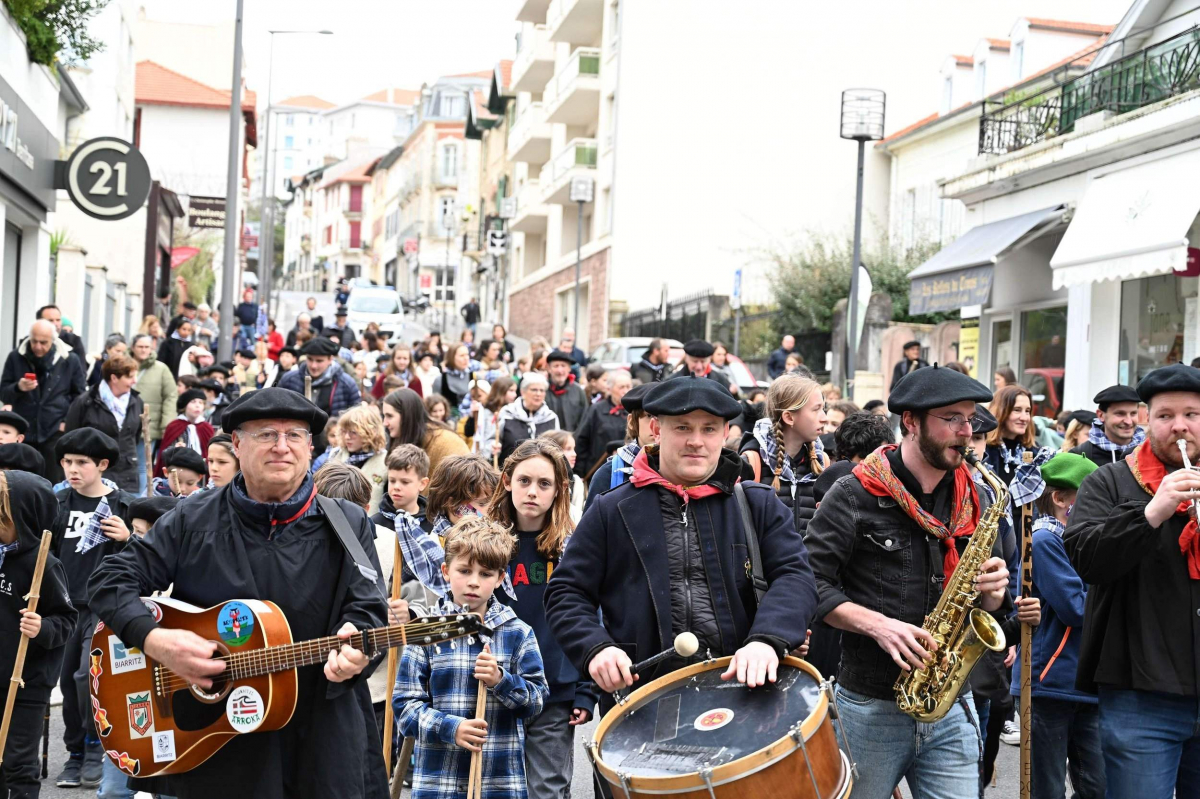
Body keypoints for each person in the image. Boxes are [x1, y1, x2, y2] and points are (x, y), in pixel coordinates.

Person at [88, 387, 389, 799]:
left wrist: (359, 650)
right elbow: (110, 579)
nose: (282, 447)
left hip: (322, 736)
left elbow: (370, 608)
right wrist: (154, 640)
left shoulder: (348, 522)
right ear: (237, 444)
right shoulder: (192, 518)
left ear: (311, 446)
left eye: (295, 435)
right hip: (220, 740)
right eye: (267, 434)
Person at [546, 375, 817, 725]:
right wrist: (596, 648)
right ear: (656, 429)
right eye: (682, 427)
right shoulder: (610, 510)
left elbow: (795, 577)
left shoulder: (756, 503)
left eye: (708, 429)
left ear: (725, 434)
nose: (695, 441)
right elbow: (567, 591)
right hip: (641, 703)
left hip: (744, 697)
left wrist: (766, 640)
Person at [804, 365, 1017, 798]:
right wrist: (877, 625)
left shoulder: (978, 497)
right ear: (911, 422)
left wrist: (994, 595)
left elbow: (989, 605)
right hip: (869, 706)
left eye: (970, 418)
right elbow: (808, 583)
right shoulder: (852, 495)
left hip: (950, 702)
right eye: (951, 418)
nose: (966, 430)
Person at [1059, 363, 1200, 797]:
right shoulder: (1110, 481)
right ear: (1146, 419)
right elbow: (1086, 560)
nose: (1179, 426)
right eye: (1165, 415)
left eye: (1192, 415)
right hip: (1141, 697)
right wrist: (1151, 513)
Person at [394, 517, 548, 799]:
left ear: (501, 578)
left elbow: (537, 701)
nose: (474, 582)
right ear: (445, 571)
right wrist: (452, 729)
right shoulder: (425, 632)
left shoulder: (517, 632)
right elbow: (404, 708)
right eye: (464, 570)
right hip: (439, 785)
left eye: (486, 574)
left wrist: (501, 680)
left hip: (498, 783)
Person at [485, 439, 595, 799]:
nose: (533, 492)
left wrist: (585, 689)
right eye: (524, 481)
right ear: (507, 482)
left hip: (555, 690)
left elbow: (591, 615)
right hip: (495, 685)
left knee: (546, 788)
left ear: (560, 489)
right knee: (495, 786)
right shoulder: (485, 544)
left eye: (544, 484)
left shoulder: (574, 546)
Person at [1010, 452, 1105, 799]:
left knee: (1099, 786)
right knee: (1046, 788)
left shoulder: (1085, 537)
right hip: (1048, 682)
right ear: (1060, 498)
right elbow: (1076, 609)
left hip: (1089, 680)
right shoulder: (1046, 539)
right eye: (1090, 495)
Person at [52, 428, 135, 789]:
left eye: (82, 463)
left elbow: (148, 556)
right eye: (67, 462)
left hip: (103, 607)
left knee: (89, 676)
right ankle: (74, 752)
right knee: (66, 681)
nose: (73, 469)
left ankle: (93, 745)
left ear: (102, 464)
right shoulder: (57, 504)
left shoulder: (123, 506)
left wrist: (129, 537)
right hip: (64, 606)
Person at [0, 470, 77, 799]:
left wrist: (42, 626)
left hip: (26, 681)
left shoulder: (42, 565)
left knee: (17, 762)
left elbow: (67, 618)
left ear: (23, 519)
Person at [0, 319, 86, 485]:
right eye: (34, 341)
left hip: (54, 431)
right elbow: (4, 393)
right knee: (18, 483)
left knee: (52, 482)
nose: (38, 346)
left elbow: (80, 397)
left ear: (53, 341)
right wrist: (19, 387)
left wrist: (65, 422)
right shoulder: (16, 356)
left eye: (43, 342)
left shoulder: (69, 359)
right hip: (24, 432)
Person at [64, 355, 144, 493]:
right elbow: (70, 438)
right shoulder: (85, 402)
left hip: (127, 472)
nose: (134, 381)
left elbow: (134, 436)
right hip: (95, 472)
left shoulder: (137, 402)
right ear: (114, 378)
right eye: (130, 377)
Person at [584, 383, 654, 508]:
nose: (656, 425)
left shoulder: (686, 472)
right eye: (649, 416)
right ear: (632, 422)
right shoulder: (609, 474)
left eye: (663, 417)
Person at [381, 388, 468, 487]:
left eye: (390, 416)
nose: (385, 423)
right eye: (384, 416)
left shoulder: (444, 442)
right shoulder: (406, 437)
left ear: (407, 416)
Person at [811, 410, 896, 503]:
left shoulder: (896, 494)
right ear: (845, 458)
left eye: (882, 459)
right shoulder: (829, 498)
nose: (875, 470)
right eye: (864, 462)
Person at [278, 338, 362, 425]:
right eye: (310, 359)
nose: (314, 366)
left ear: (330, 359)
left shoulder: (347, 383)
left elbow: (356, 417)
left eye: (319, 361)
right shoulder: (288, 379)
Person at [424, 456, 500, 540]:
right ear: (453, 505)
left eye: (493, 502)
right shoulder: (434, 548)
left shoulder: (497, 535)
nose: (490, 510)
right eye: (482, 503)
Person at [572, 370, 631, 479]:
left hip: (628, 471)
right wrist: (580, 472)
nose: (626, 391)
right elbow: (582, 440)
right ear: (609, 389)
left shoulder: (635, 412)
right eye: (621, 387)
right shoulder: (597, 410)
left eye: (628, 387)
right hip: (598, 470)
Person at [330, 405, 388, 514]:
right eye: (344, 431)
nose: (347, 437)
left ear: (370, 432)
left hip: (371, 524)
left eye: (353, 432)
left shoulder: (385, 461)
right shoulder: (336, 455)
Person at [1070, 385, 1143, 467]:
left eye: (1133, 413)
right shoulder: (1079, 455)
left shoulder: (1150, 452)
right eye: (1120, 414)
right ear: (1101, 415)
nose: (1128, 421)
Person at [495, 372, 559, 465]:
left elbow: (556, 450)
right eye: (534, 390)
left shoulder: (551, 418)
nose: (538, 394)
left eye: (542, 390)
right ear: (523, 392)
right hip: (510, 471)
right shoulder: (507, 414)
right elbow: (493, 441)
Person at [130, 334, 177, 452]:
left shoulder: (161, 369)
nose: (143, 350)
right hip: (124, 425)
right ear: (132, 347)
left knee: (143, 466)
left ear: (152, 349)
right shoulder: (123, 366)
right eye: (140, 346)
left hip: (149, 425)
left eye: (147, 347)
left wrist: (167, 424)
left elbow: (170, 396)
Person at [373, 444, 434, 534]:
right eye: (392, 481)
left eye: (405, 482)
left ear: (422, 484)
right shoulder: (375, 524)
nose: (396, 487)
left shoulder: (433, 525)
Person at [985, 383, 1035, 485]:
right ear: (1000, 411)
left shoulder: (1035, 453)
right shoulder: (984, 451)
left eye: (1027, 411)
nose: (1024, 418)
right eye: (1017, 410)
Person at [155, 390, 215, 475]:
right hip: (180, 469)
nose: (197, 405)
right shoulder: (174, 426)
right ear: (184, 406)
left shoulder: (206, 428)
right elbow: (164, 453)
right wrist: (174, 449)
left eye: (201, 403)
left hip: (202, 472)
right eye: (193, 402)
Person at [539, 430, 586, 522]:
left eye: (574, 449)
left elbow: (576, 518)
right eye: (568, 449)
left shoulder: (576, 482)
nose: (574, 454)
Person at [467, 377, 516, 458]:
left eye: (515, 391)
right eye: (511, 391)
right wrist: (473, 416)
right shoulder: (484, 410)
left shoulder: (512, 411)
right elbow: (469, 432)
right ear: (501, 391)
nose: (515, 395)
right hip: (485, 456)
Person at [543, 351, 588, 433]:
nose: (560, 371)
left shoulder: (578, 391)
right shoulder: (542, 389)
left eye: (563, 366)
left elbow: (584, 420)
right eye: (556, 366)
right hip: (546, 442)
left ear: (569, 369)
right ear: (548, 368)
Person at [669, 339, 734, 392]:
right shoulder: (672, 382)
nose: (699, 367)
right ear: (686, 359)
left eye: (703, 362)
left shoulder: (721, 381)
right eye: (695, 361)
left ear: (709, 360)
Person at [438, 344, 478, 420]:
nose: (466, 358)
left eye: (467, 355)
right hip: (448, 425)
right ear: (452, 357)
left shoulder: (475, 378)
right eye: (462, 355)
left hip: (470, 425)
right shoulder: (440, 380)